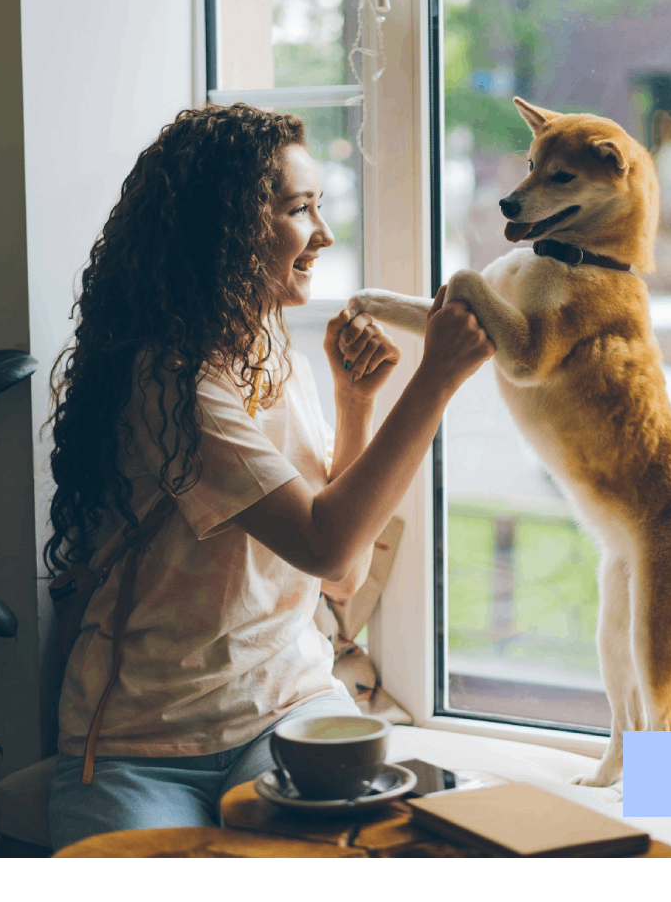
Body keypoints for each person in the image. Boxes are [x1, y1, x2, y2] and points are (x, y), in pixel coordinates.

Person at [42, 102, 495, 851]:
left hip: (284, 706)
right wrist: (435, 379)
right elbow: (326, 546)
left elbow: (340, 578)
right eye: (299, 209)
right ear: (223, 228)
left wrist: (356, 406)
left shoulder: (266, 351)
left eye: (320, 207)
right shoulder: (170, 380)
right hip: (137, 744)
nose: (323, 234)